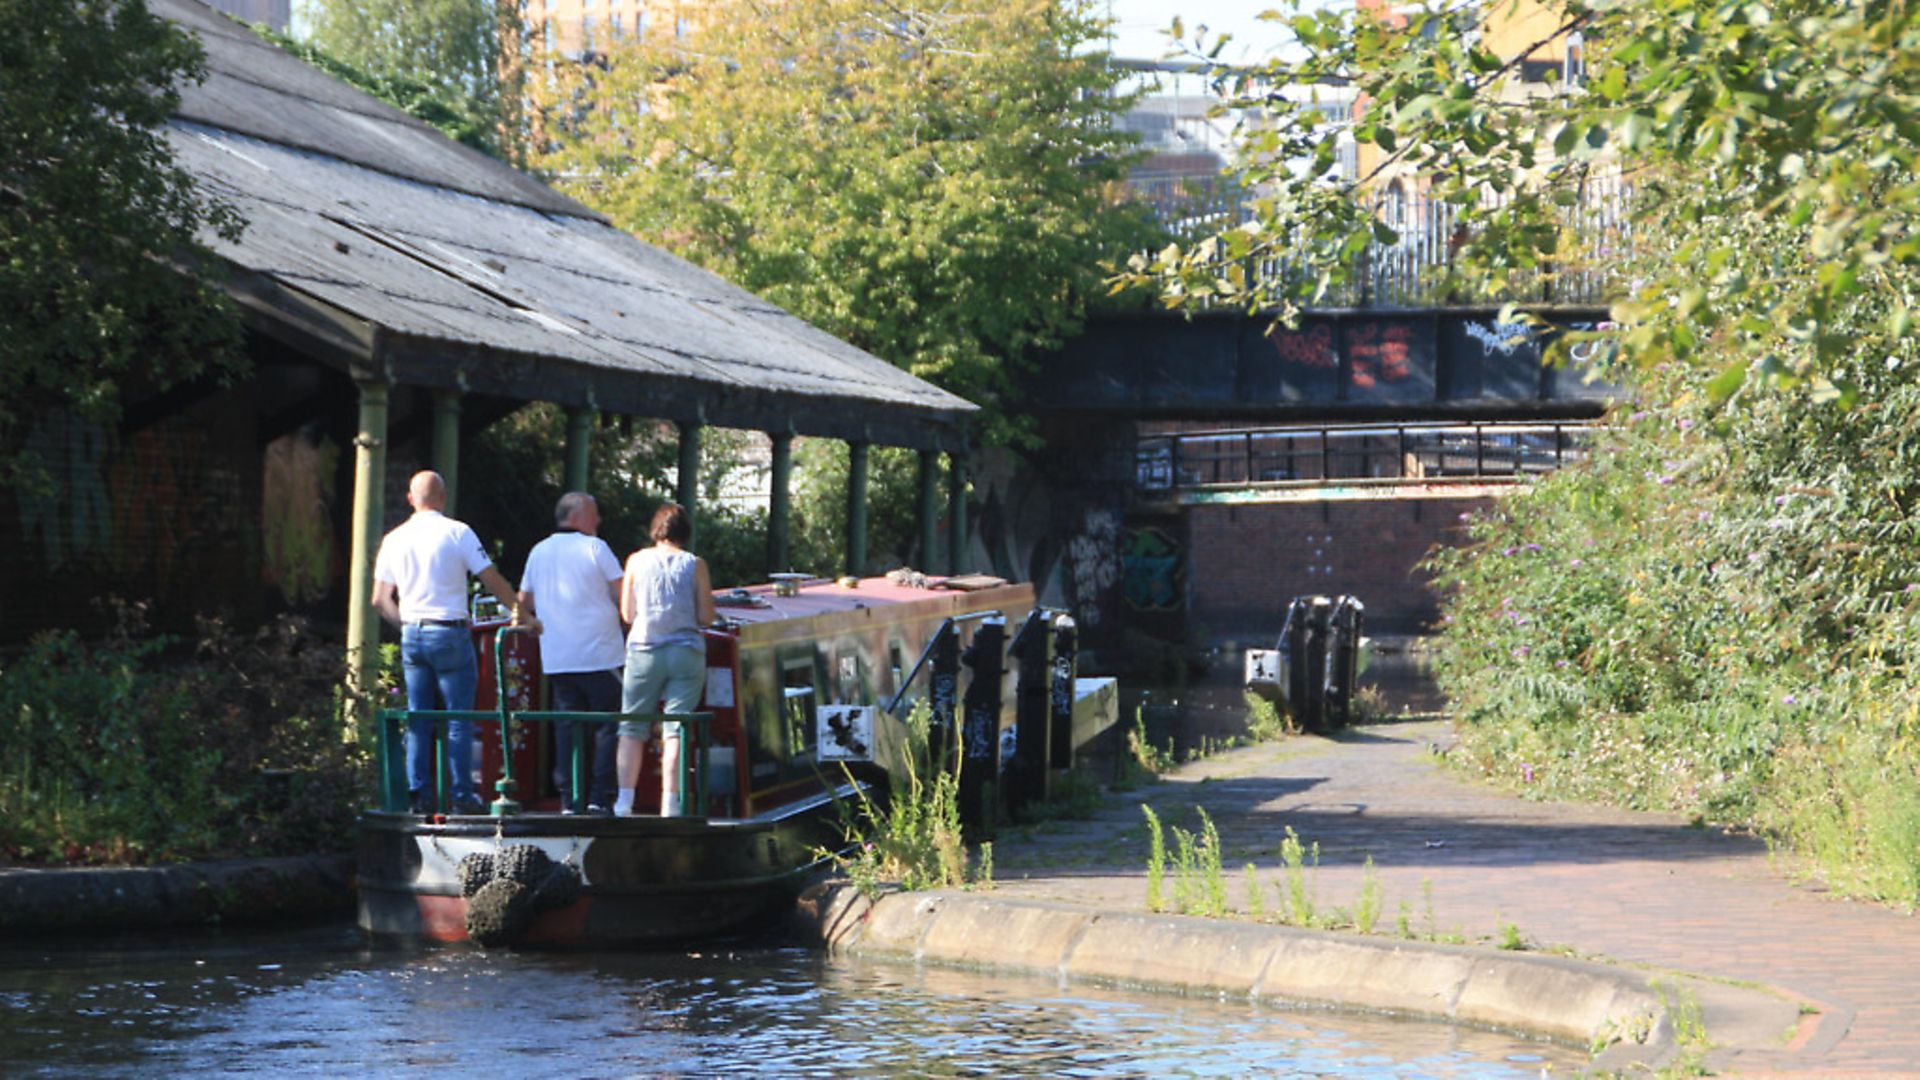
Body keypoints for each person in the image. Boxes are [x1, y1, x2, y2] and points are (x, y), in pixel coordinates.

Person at [372, 470, 531, 816]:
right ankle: (461, 795)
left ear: (411, 499)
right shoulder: (458, 532)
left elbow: (380, 599)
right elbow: (491, 579)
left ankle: (419, 795)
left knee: (419, 715)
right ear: (442, 498)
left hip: (413, 631)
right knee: (459, 716)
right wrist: (524, 615)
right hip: (450, 631)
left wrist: (408, 625)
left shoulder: (393, 539)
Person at [518, 491, 625, 815]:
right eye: (594, 514)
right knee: (609, 724)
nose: (599, 520)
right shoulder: (596, 548)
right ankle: (599, 797)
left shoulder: (539, 551)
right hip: (601, 654)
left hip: (558, 656)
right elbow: (626, 596)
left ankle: (569, 799)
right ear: (577, 516)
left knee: (567, 726)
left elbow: (524, 603)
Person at [616, 502, 716, 817]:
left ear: (656, 530)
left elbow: (628, 614)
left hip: (644, 650)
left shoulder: (635, 561)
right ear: (685, 532)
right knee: (676, 729)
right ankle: (670, 806)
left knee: (632, 727)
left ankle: (623, 803)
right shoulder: (695, 564)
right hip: (685, 652)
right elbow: (706, 616)